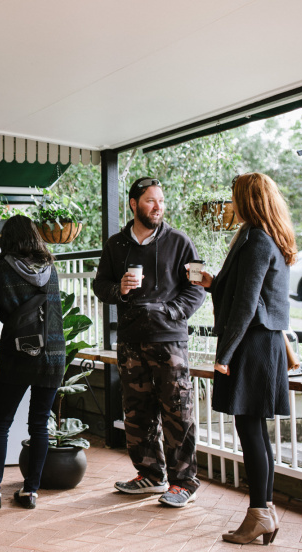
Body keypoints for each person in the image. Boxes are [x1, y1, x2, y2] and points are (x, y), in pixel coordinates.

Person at [190, 173, 295, 545]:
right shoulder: (267, 236)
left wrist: (225, 353)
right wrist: (213, 283)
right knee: (255, 430)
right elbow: (248, 293)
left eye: (234, 197)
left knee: (250, 431)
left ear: (248, 200)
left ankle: (260, 513)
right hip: (260, 343)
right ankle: (264, 511)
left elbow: (247, 305)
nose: (231, 204)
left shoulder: (256, 239)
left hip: (252, 344)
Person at [92, 177, 206, 507]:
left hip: (170, 341)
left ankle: (184, 482)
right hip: (130, 340)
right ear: (133, 204)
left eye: (161, 201)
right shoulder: (115, 245)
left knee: (177, 410)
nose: (158, 207)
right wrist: (119, 289)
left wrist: (171, 311)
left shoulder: (180, 242)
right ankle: (151, 475)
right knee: (136, 412)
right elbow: (100, 285)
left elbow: (198, 286)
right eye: (150, 201)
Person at [0, 215, 65, 510]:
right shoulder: (51, 268)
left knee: (1, 423)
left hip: (17, 354)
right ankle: (30, 492)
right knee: (39, 425)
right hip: (53, 355)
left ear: (7, 240)